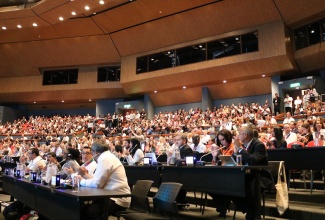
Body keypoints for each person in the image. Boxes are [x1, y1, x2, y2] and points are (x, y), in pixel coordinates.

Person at [77, 139, 131, 217]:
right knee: (82, 207)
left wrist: (81, 181)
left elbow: (97, 184)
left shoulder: (105, 159)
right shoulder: (106, 157)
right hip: (111, 196)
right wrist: (85, 174)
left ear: (95, 152)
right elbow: (97, 180)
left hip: (117, 200)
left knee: (84, 211)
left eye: (91, 152)